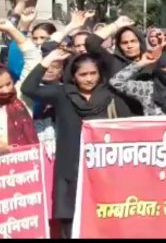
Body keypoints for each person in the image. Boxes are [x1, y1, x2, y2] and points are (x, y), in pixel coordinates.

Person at [21, 49, 116, 238]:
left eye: (93, 73)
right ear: (73, 75)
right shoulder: (61, 93)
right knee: (69, 219)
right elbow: (28, 89)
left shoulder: (109, 94)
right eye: (83, 74)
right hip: (69, 167)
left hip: (101, 166)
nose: (89, 79)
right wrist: (47, 60)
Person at [109, 44, 166, 116]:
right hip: (153, 136)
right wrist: (141, 63)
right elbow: (116, 82)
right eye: (163, 67)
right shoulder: (147, 89)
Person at [85, 16, 147, 117]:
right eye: (124, 42)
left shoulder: (152, 64)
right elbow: (91, 42)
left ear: (141, 42)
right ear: (119, 45)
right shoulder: (113, 61)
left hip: (148, 121)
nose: (129, 46)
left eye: (133, 41)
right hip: (118, 122)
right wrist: (116, 24)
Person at [0, 19, 40, 151]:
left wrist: (12, 30)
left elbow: (33, 59)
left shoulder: (21, 97)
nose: (6, 90)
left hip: (28, 168)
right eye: (0, 88)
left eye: (8, 84)